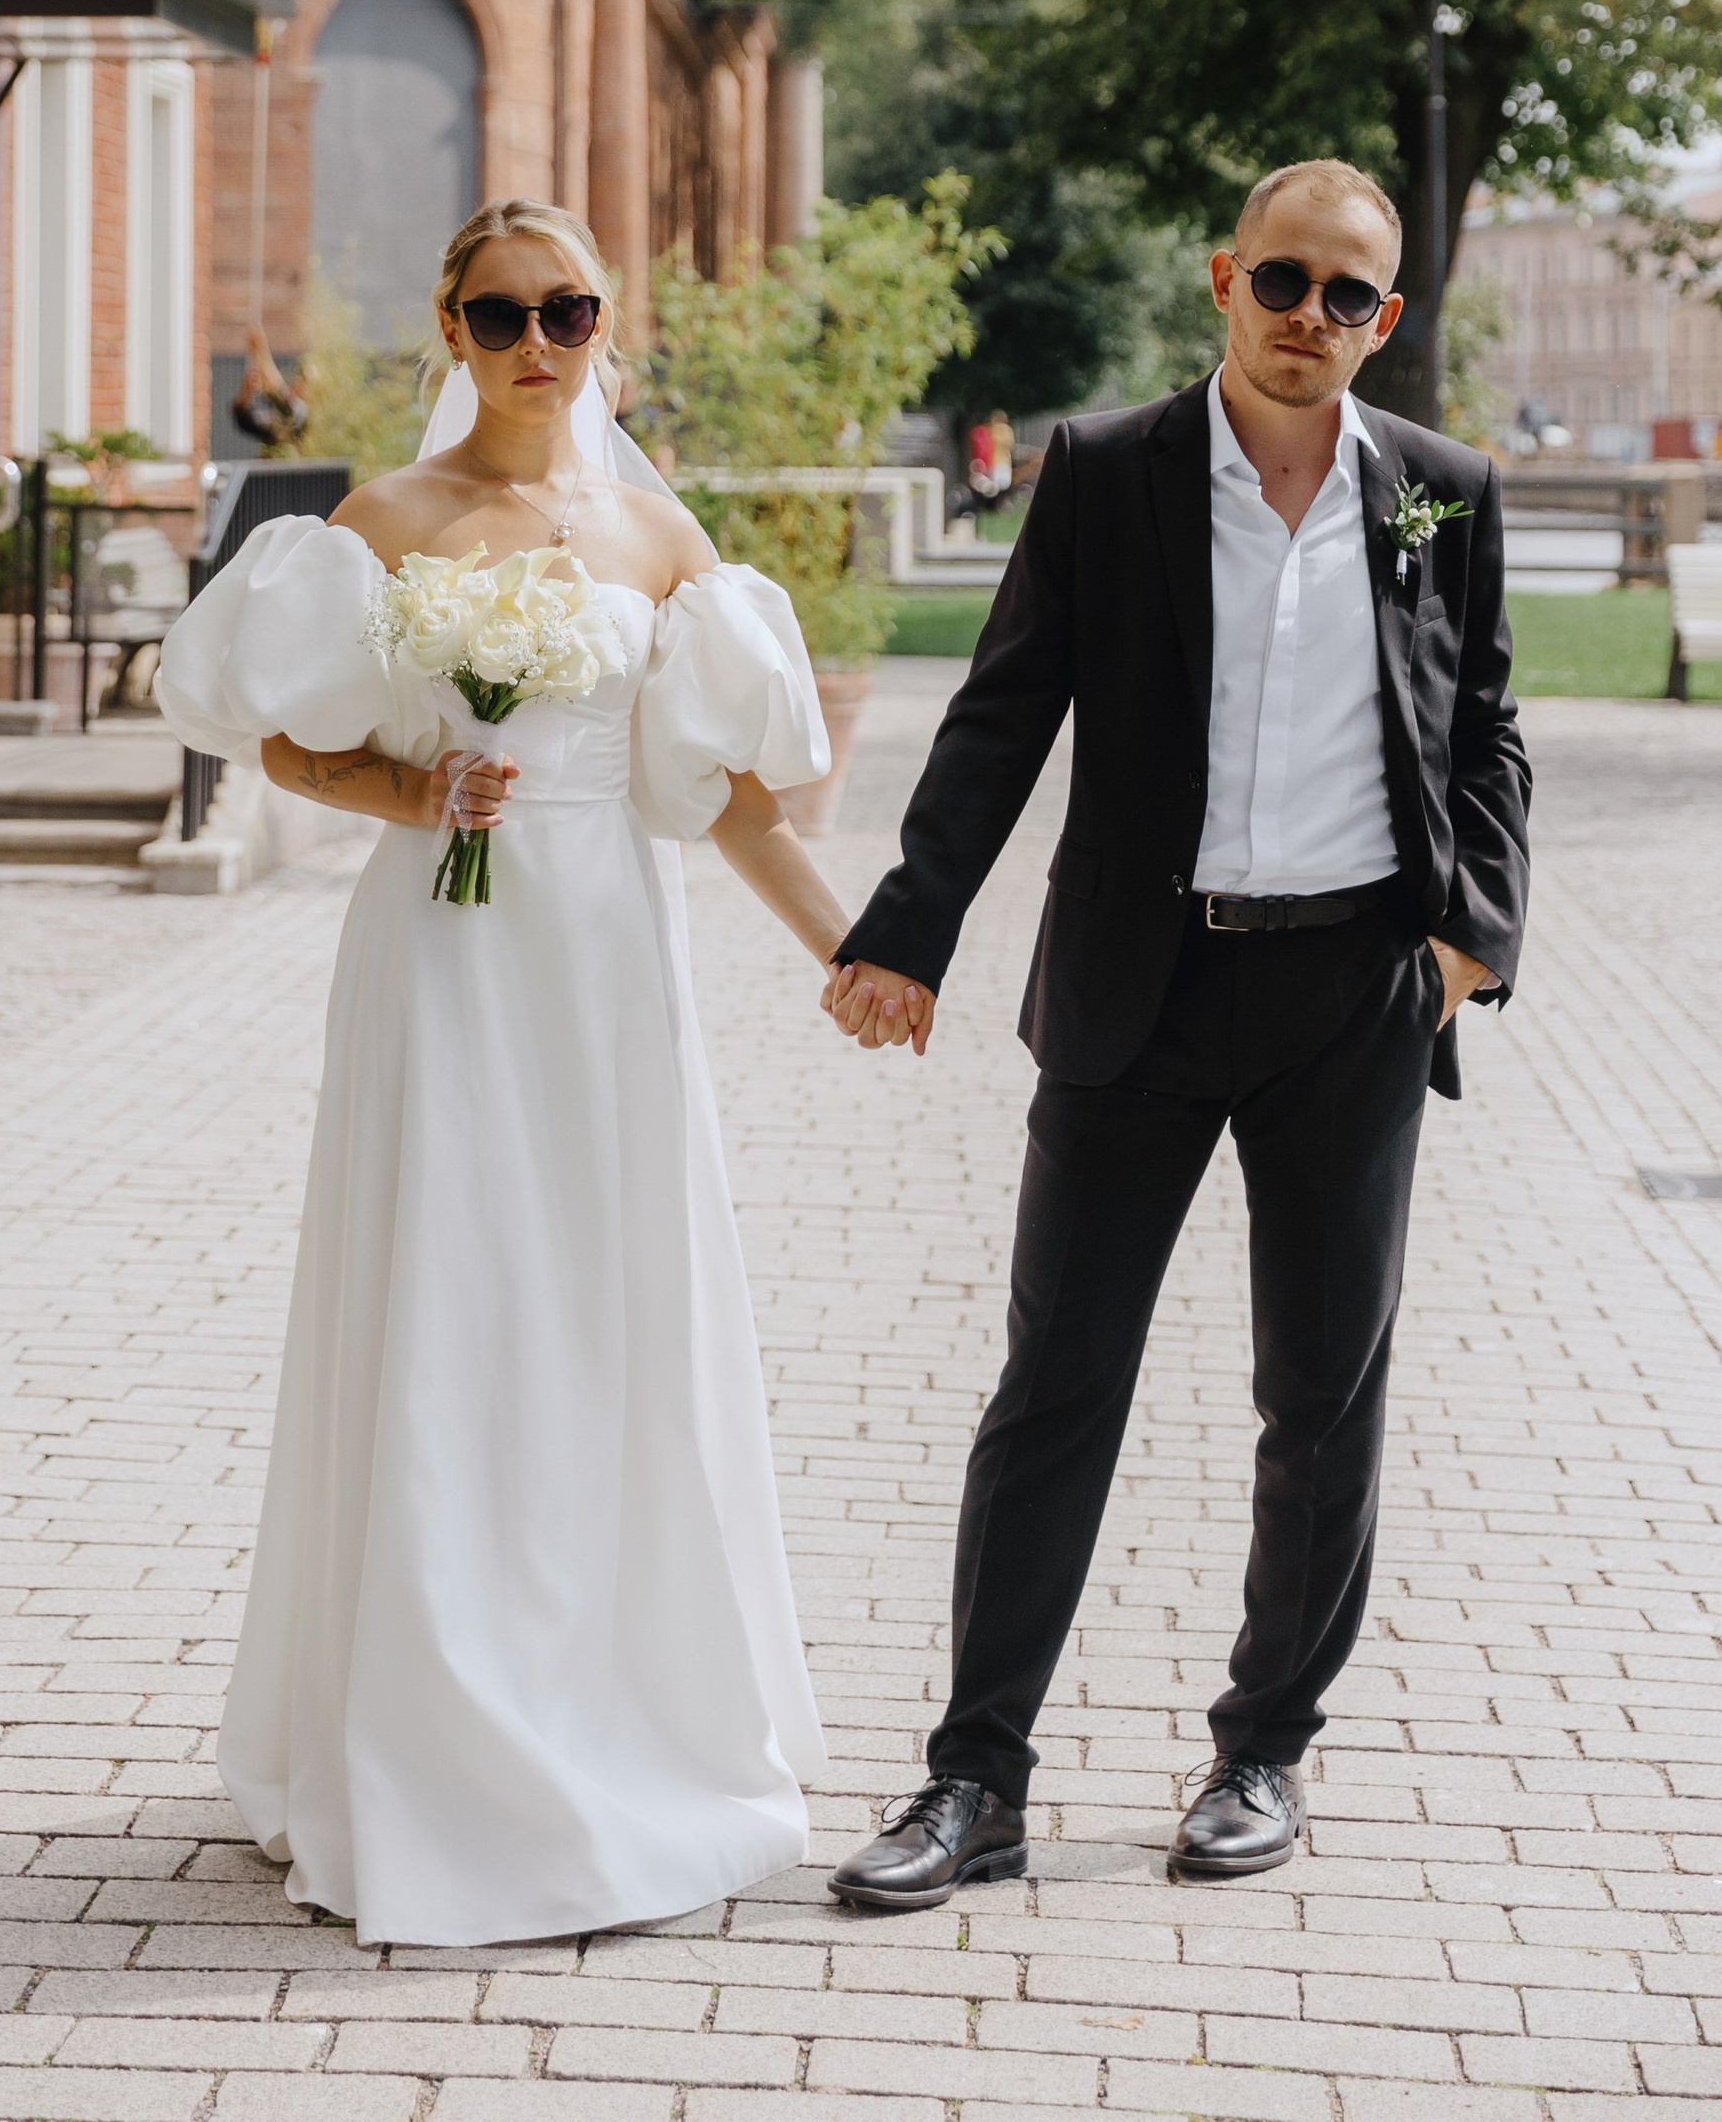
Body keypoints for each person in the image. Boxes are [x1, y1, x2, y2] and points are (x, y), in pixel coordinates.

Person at [815, 156, 1531, 1904]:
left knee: (1321, 1396)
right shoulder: (1114, 473)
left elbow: (1488, 724)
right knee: (1057, 1387)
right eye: (1283, 282)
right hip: (1140, 992)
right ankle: (974, 1783)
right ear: (1225, 279)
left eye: (1347, 296)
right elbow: (999, 718)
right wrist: (908, 932)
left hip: (1350, 999)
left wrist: (1470, 942)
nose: (1309, 320)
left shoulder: (1438, 492)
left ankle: (1263, 1751)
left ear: (1387, 318)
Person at [155, 197, 847, 1947]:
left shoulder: (660, 531)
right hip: (448, 970)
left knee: (611, 1318)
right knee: (455, 1313)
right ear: (449, 334)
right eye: (502, 314)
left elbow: (728, 797)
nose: (540, 345)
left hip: (611, 964)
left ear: (608, 327)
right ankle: (428, 1748)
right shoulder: (381, 523)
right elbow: (286, 739)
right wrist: (416, 795)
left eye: (570, 310)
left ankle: (620, 1722)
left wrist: (856, 954)